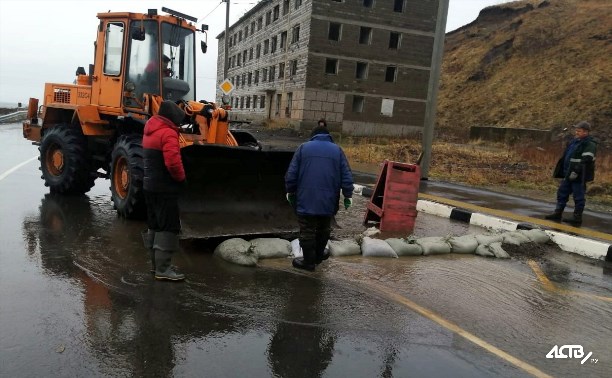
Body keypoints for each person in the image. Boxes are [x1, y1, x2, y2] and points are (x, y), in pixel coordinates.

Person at [285, 125, 354, 271]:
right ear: (328, 136)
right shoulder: (337, 150)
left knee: (307, 229)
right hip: (329, 201)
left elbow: (291, 175)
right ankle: (317, 257)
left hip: (305, 198)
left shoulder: (303, 148)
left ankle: (308, 262)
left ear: (313, 136)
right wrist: (348, 195)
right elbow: (347, 177)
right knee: (324, 228)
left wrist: (290, 192)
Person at [141, 100, 187, 281]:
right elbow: (173, 162)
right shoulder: (168, 133)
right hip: (164, 188)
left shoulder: (150, 130)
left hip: (149, 186)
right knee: (168, 226)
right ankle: (163, 269)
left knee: (155, 225)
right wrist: (181, 179)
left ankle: (155, 266)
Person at [544, 121, 597, 226]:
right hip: (568, 173)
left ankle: (577, 218)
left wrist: (576, 171)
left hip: (579, 176)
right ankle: (558, 213)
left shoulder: (590, 144)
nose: (576, 132)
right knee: (562, 193)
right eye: (576, 130)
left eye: (579, 131)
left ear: (586, 132)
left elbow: (586, 160)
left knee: (578, 196)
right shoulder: (574, 142)